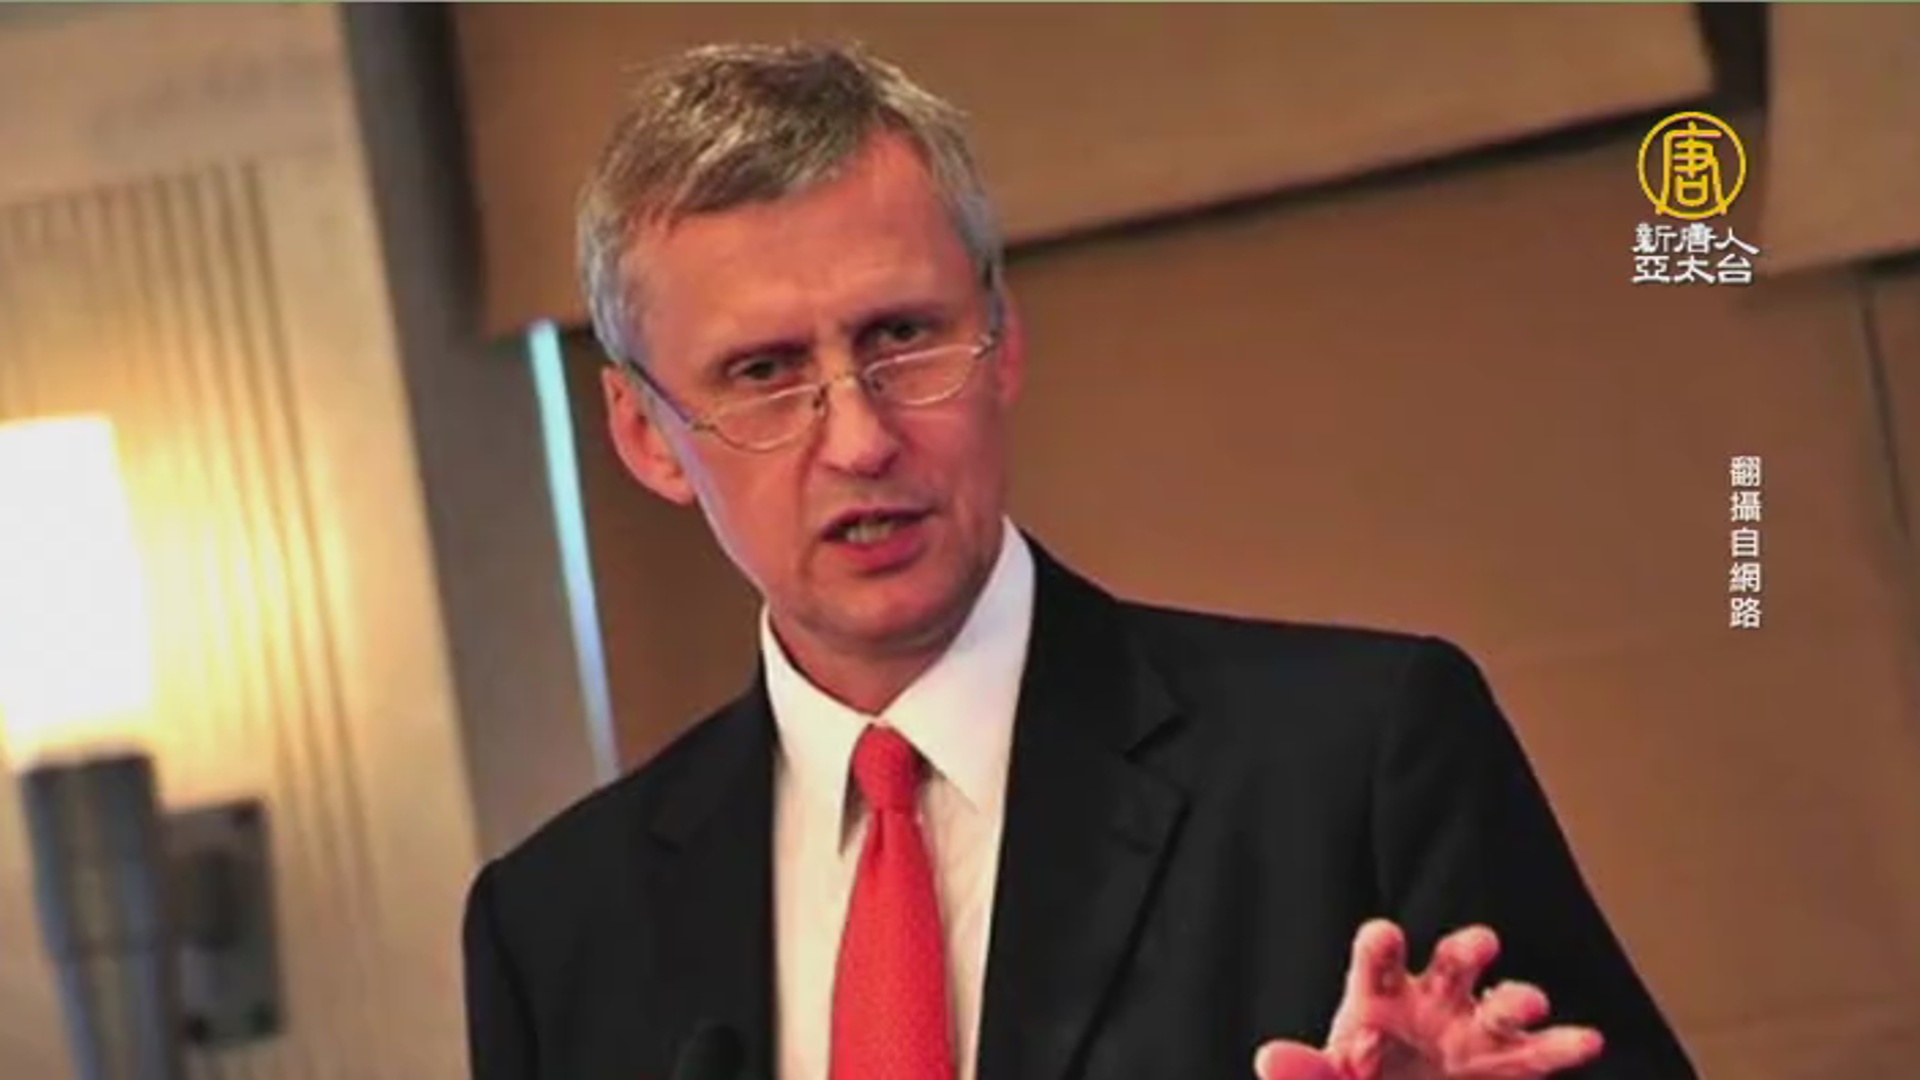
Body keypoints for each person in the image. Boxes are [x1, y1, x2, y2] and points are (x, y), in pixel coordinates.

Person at [461, 41, 1697, 1080]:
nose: (860, 437)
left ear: (1001, 341)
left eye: (902, 336)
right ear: (646, 434)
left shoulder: (1355, 760)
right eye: (765, 372)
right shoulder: (556, 929)